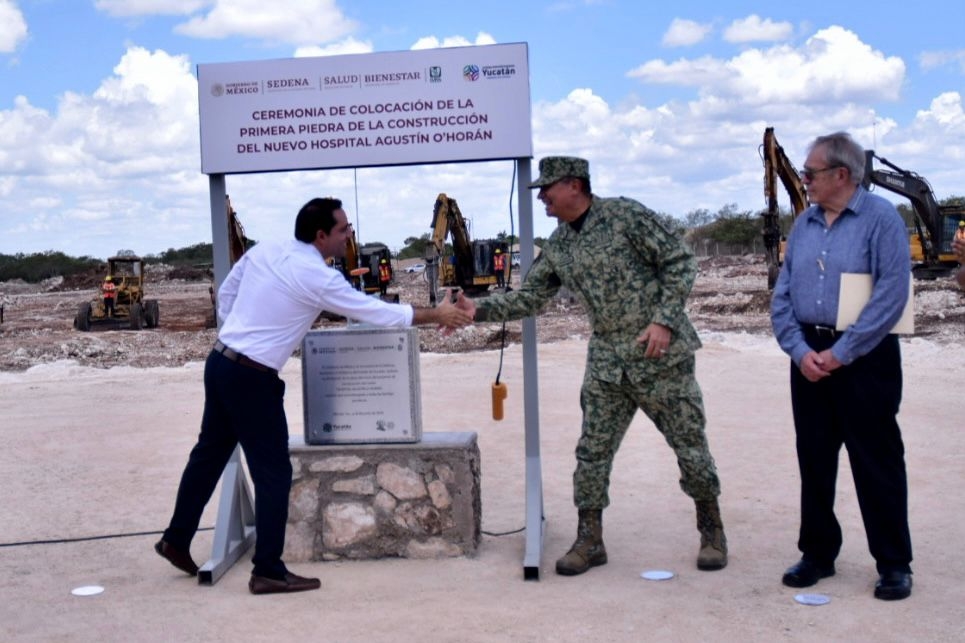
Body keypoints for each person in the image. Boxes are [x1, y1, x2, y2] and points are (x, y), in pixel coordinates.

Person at [155, 197, 472, 595]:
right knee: (273, 474)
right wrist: (436, 315)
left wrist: (243, 329)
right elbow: (374, 311)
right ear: (321, 236)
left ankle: (176, 539)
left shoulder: (269, 249)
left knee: (208, 456)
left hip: (221, 361)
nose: (349, 234)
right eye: (343, 229)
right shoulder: (316, 276)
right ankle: (267, 569)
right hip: (251, 376)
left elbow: (227, 294)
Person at [456, 156, 727, 575]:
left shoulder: (625, 215)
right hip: (606, 361)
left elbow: (679, 262)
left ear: (574, 186)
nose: (542, 197)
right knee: (592, 452)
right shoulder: (560, 243)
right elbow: (530, 297)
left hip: (660, 356)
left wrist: (664, 320)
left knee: (689, 445)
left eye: (548, 188)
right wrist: (477, 310)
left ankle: (711, 530)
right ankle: (590, 540)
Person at [770, 132, 914, 601]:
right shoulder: (805, 223)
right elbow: (783, 295)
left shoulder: (881, 219)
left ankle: (893, 564)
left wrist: (843, 352)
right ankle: (817, 554)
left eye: (810, 173)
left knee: (877, 461)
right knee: (814, 460)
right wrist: (799, 350)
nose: (804, 180)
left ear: (841, 175)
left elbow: (892, 294)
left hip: (866, 357)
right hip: (809, 356)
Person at [954, 222, 965, 289]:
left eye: (962, 226)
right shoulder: (957, 233)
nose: (961, 227)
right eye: (961, 226)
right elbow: (955, 239)